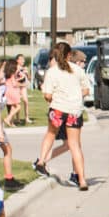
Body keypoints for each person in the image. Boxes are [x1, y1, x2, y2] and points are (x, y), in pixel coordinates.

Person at [36, 43, 87, 191]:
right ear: (69, 54)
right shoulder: (78, 70)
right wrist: (74, 96)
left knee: (51, 134)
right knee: (75, 144)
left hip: (58, 109)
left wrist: (52, 98)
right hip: (74, 111)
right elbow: (85, 90)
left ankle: (41, 161)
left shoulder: (52, 72)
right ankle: (82, 180)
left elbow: (47, 95)